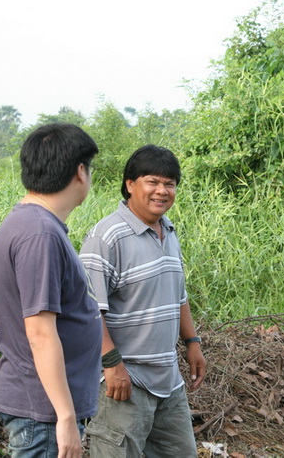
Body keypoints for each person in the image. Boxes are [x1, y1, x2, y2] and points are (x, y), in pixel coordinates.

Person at [79, 144, 206, 457]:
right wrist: (112, 364)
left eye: (169, 184)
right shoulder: (107, 237)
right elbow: (89, 311)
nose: (162, 191)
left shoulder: (169, 232)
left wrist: (192, 342)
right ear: (130, 184)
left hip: (168, 381)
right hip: (124, 381)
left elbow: (178, 295)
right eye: (153, 182)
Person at [0, 123, 102, 458]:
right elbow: (39, 332)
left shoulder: (31, 223)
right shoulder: (40, 233)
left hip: (42, 409)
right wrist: (65, 417)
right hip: (44, 413)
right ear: (80, 172)